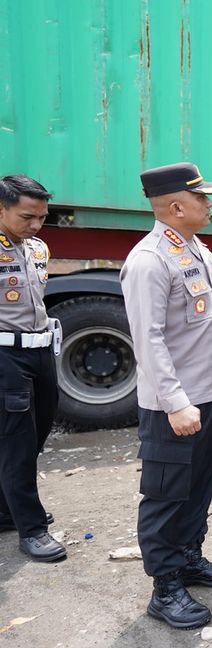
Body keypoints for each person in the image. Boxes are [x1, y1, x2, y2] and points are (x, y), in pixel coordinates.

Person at [120, 162, 212, 630]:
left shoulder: (196, 249)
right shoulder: (150, 260)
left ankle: (189, 557)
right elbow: (148, 341)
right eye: (202, 198)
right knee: (166, 494)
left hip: (207, 396)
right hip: (176, 406)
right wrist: (176, 402)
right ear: (175, 206)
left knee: (197, 488)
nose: (210, 205)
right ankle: (165, 586)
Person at [0, 175, 64, 562]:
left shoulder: (38, 248)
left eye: (42, 216)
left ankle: (7, 509)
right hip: (6, 356)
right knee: (17, 443)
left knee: (38, 432)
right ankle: (32, 528)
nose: (36, 225)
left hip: (41, 350)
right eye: (27, 216)